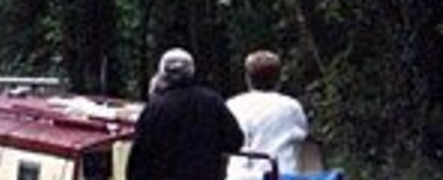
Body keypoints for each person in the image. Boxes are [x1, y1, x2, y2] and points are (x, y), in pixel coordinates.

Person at [130, 48, 245, 180]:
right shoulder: (213, 101)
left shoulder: (155, 108)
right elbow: (235, 140)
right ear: (192, 71)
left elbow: (140, 157)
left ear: (162, 73)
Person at [227, 51, 309, 180]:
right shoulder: (292, 106)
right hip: (283, 174)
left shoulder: (233, 105)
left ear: (248, 79)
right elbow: (302, 138)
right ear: (278, 79)